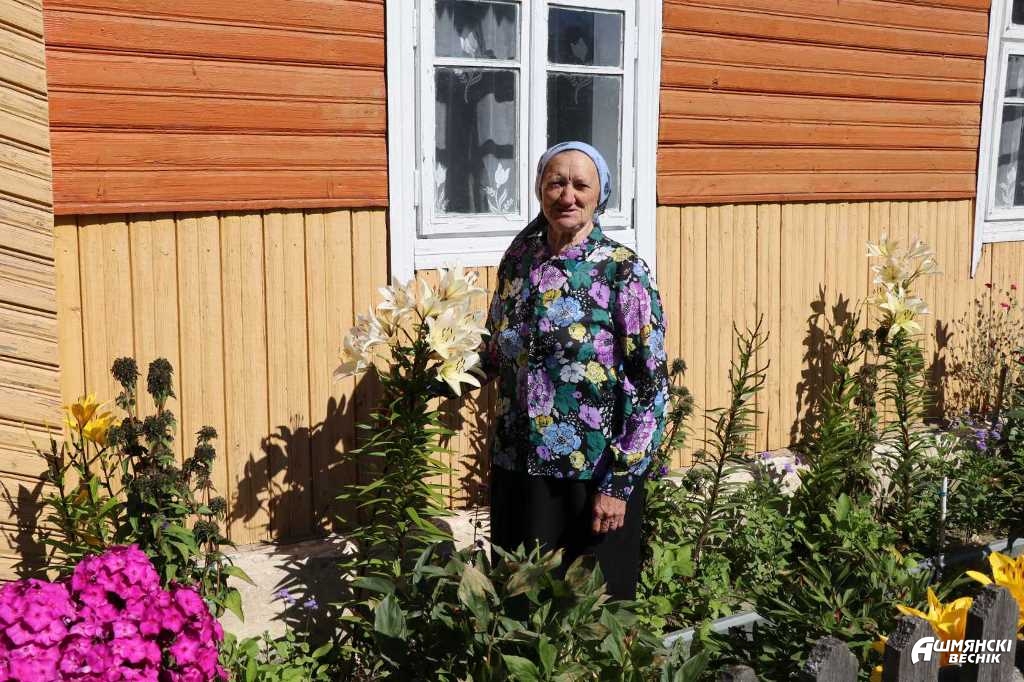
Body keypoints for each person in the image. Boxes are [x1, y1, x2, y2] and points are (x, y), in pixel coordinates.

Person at [481, 141, 669, 600]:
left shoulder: (622, 271)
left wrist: (620, 483)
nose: (567, 195)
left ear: (599, 195)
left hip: (593, 473)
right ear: (540, 191)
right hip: (518, 466)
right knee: (520, 603)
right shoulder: (519, 262)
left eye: (580, 185)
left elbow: (650, 387)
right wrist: (434, 374)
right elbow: (494, 349)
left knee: (592, 611)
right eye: (556, 183)